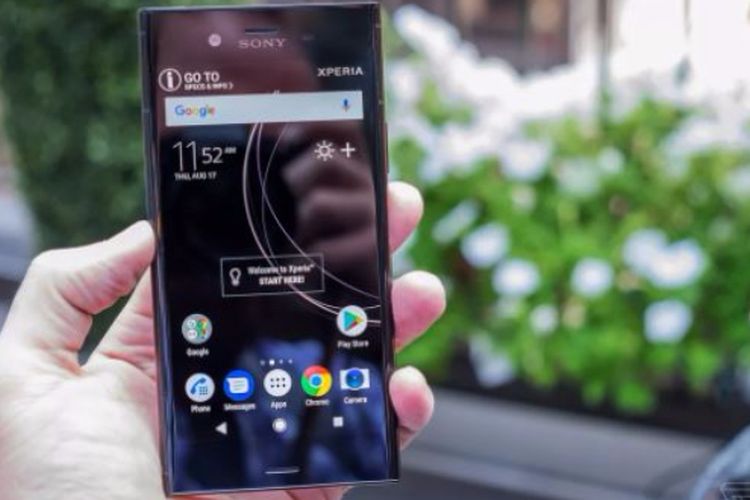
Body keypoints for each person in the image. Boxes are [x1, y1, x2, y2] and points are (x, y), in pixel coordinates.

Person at [0, 181, 445, 500]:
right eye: (214, 245)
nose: (232, 279)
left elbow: (370, 430)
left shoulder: (319, 372)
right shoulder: (132, 411)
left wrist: (339, 299)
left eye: (257, 250)